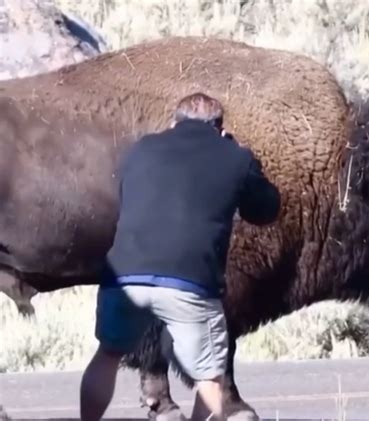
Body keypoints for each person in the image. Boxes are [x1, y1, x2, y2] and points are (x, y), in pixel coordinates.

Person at [79, 92, 281, 421]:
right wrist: (245, 160)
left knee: (107, 356)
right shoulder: (235, 156)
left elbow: (125, 193)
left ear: (174, 122)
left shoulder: (141, 149)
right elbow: (266, 210)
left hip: (126, 276)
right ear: (219, 129)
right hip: (190, 283)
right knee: (210, 378)